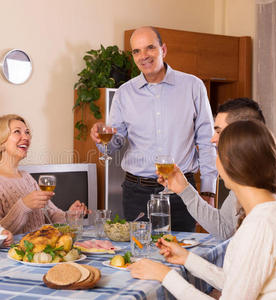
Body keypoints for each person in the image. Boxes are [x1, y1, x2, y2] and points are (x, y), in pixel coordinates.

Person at [129, 120, 276, 299]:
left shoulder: (260, 226)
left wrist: (165, 276)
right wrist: (187, 259)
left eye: (218, 153)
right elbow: (237, 283)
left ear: (230, 162)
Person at [90, 26, 217, 231]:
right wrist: (101, 140)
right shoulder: (125, 93)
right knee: (141, 256)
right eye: (137, 51)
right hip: (136, 193)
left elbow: (206, 140)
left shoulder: (193, 87)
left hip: (182, 191)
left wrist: (209, 192)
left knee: (184, 255)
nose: (143, 56)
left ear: (163, 50)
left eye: (150, 48)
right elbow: (115, 144)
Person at [167, 97, 276, 239]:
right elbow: (224, 227)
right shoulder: (248, 173)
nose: (212, 139)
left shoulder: (272, 187)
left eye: (219, 131)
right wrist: (184, 189)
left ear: (241, 133)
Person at [0, 114, 88, 235]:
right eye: (17, 132)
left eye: (27, 132)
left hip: (40, 246)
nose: (26, 137)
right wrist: (23, 206)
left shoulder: (26, 177)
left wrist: (70, 215)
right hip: (13, 253)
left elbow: (51, 214)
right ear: (0, 141)